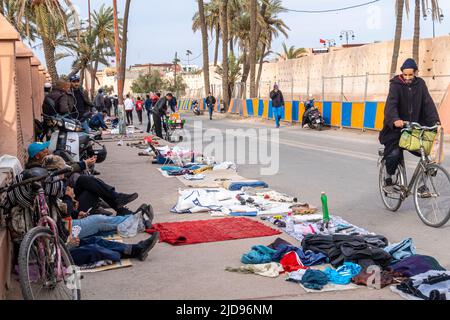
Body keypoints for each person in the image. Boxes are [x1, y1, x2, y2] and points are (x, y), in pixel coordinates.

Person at [379, 58, 441, 192]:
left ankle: (422, 185)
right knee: (394, 153)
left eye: (410, 75)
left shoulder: (420, 84)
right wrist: (395, 119)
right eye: (405, 74)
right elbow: (391, 104)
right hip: (396, 128)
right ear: (402, 73)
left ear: (415, 73)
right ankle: (389, 177)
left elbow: (428, 104)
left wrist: (435, 123)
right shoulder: (395, 85)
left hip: (415, 127)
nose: (407, 78)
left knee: (428, 153)